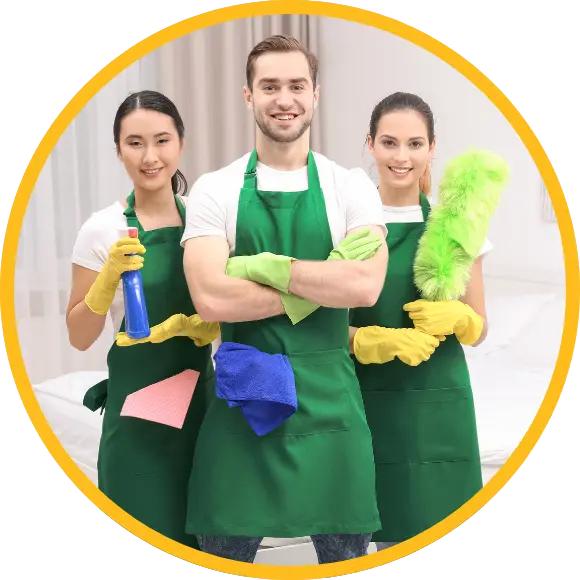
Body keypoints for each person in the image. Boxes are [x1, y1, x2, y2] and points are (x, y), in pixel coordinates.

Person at [180, 35, 389, 565]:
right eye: (269, 86)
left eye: (296, 85)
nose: (284, 98)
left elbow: (363, 287)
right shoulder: (215, 188)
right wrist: (321, 281)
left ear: (315, 94)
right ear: (248, 96)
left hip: (330, 407)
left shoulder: (351, 187)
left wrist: (265, 270)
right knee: (223, 554)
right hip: (243, 400)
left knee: (344, 559)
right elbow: (209, 297)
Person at [66, 90, 220, 549]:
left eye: (161, 140)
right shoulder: (101, 228)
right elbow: (78, 335)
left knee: (206, 543)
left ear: (181, 144)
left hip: (202, 410)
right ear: (118, 150)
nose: (150, 157)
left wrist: (208, 324)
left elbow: (232, 306)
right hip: (137, 420)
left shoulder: (204, 220)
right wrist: (106, 280)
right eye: (134, 143)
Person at [349, 92, 491, 551]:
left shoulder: (456, 227)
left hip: (438, 403)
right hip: (364, 399)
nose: (401, 156)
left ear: (432, 148)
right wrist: (367, 339)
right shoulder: (347, 223)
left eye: (414, 144)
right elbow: (315, 325)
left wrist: (461, 318)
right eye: (389, 143)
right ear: (370, 145)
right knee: (365, 532)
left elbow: (481, 327)